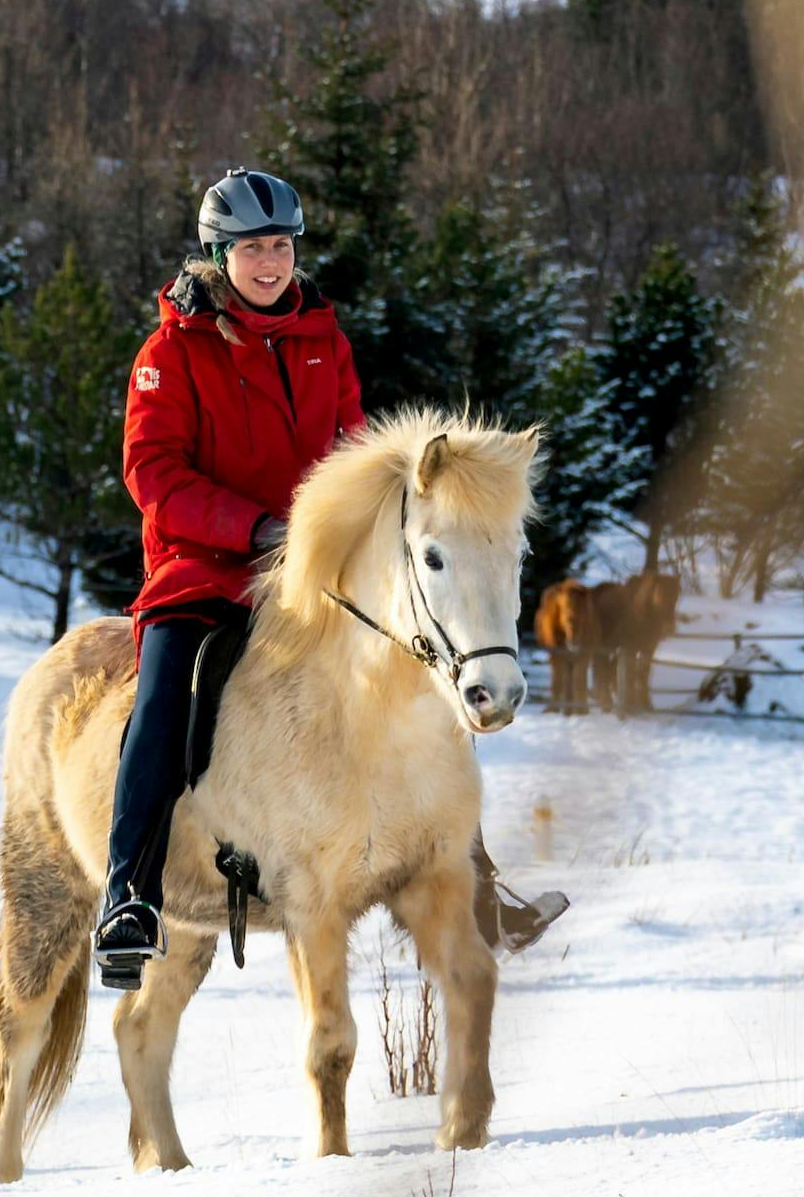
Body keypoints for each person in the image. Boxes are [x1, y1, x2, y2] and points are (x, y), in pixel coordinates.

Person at [92, 170, 563, 991]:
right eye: (251, 249)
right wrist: (253, 529)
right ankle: (129, 892)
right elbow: (152, 473)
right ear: (218, 255)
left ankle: (480, 889)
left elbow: (352, 456)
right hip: (204, 571)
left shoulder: (322, 338)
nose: (270, 263)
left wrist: (356, 532)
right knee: (168, 689)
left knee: (419, 680)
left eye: (280, 246)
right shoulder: (171, 350)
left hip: (315, 573)